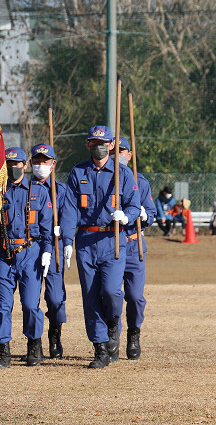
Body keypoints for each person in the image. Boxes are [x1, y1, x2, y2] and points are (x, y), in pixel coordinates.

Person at [60, 125, 140, 369]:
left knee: (112, 292)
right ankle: (100, 348)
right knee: (91, 296)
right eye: (94, 142)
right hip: (86, 240)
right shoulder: (78, 172)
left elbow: (135, 206)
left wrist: (125, 216)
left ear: (112, 145)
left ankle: (113, 320)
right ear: (88, 145)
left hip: (112, 239)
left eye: (104, 142)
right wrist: (67, 241)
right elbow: (70, 210)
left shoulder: (122, 173)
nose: (99, 146)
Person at [0, 147, 53, 368]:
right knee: (3, 305)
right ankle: (3, 351)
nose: (12, 168)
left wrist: (47, 251)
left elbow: (46, 228)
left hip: (30, 253)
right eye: (8, 165)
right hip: (5, 254)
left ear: (24, 166)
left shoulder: (38, 191)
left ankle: (34, 345)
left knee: (30, 304)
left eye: (16, 165)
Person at [118, 137, 156, 359]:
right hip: (110, 243)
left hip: (133, 243)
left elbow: (151, 214)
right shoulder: (104, 180)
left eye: (123, 151)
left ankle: (134, 332)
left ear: (130, 155)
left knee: (134, 296)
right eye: (116, 151)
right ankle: (112, 334)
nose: (119, 155)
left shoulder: (140, 181)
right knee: (110, 294)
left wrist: (143, 214)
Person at [29, 143, 67, 359]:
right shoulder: (25, 188)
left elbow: (70, 215)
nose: (41, 165)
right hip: (32, 247)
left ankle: (55, 332)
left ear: (53, 164)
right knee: (31, 299)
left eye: (45, 161)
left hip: (54, 247)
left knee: (54, 297)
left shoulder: (60, 190)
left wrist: (61, 228)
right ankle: (35, 342)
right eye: (37, 161)